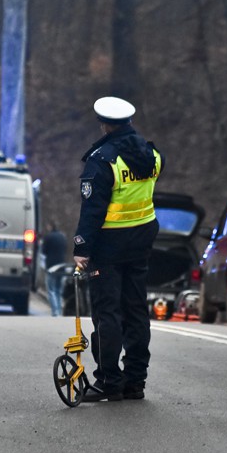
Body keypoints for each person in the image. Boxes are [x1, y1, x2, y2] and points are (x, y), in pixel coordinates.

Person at [73, 96, 162, 402]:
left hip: (109, 247)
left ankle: (109, 380)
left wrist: (82, 246)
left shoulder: (103, 160)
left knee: (107, 313)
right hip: (141, 242)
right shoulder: (151, 154)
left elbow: (93, 210)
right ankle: (135, 380)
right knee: (136, 310)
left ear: (104, 124)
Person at [41, 223, 68, 316]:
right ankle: (60, 311)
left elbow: (44, 251)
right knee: (58, 290)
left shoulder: (48, 237)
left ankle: (55, 311)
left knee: (51, 290)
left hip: (51, 266)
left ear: (50, 227)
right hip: (62, 266)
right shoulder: (63, 237)